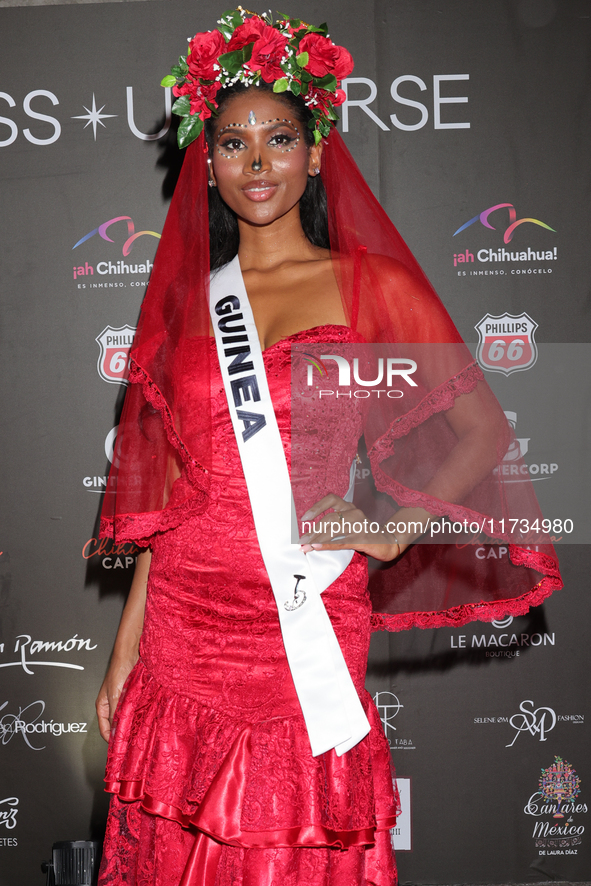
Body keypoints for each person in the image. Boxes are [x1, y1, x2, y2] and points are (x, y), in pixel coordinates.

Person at [96, 10, 561, 886]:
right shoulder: (190, 303)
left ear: (314, 153)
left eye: (278, 138)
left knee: (291, 840)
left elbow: (484, 432)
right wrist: (125, 653)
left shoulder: (368, 285)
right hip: (183, 623)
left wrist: (394, 517)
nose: (257, 162)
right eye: (232, 143)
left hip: (303, 605)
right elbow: (169, 493)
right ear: (208, 159)